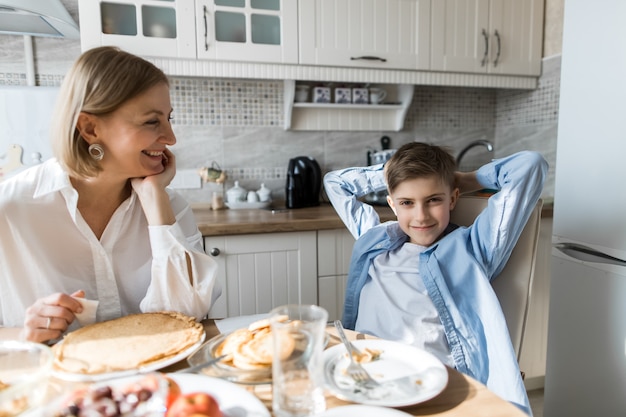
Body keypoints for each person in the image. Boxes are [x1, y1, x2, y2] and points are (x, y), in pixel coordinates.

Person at [0, 46, 221, 343]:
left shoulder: (171, 207)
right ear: (90, 128)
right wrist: (25, 334)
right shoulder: (9, 210)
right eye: (152, 121)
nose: (170, 138)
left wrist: (156, 203)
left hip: (155, 380)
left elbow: (187, 320)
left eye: (169, 118)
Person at [324, 142, 547, 415]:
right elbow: (334, 182)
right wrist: (392, 173)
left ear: (452, 199)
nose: (421, 216)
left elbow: (530, 165)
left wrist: (462, 179)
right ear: (392, 203)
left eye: (434, 199)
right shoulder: (373, 238)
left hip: (433, 384)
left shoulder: (472, 249)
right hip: (367, 376)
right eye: (407, 202)